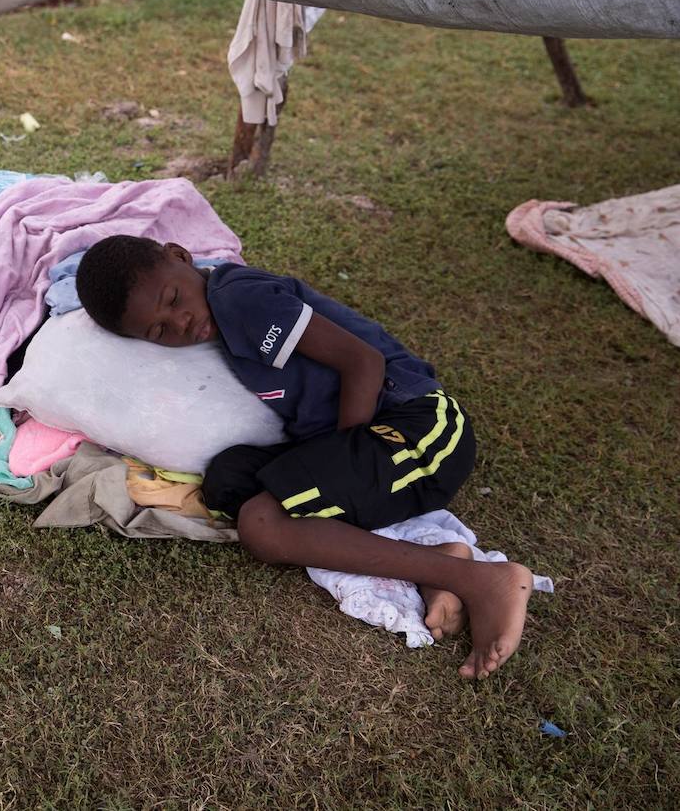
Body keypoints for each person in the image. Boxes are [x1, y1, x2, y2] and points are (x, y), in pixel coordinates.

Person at [75, 235, 534, 680]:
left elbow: (364, 363)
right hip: (360, 439)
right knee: (229, 480)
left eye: (174, 298)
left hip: (419, 429)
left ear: (180, 255)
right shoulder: (222, 313)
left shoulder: (242, 302)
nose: (179, 323)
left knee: (262, 525)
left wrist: (344, 464)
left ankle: (481, 579)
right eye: (158, 330)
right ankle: (433, 559)